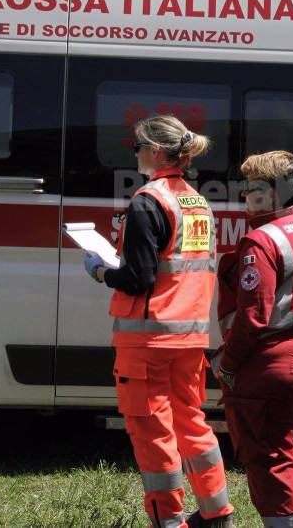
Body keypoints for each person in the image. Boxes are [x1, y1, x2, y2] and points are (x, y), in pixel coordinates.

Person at [84, 114, 235, 528]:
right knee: (192, 424)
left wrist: (100, 270)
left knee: (153, 433)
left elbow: (139, 278)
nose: (135, 154)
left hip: (147, 343)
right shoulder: (197, 202)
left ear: (154, 151)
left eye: (137, 147)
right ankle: (217, 512)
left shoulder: (147, 201)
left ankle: (168, 520)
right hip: (188, 338)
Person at [211, 151, 293, 528]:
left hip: (273, 365)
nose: (245, 196)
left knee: (268, 458)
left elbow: (252, 318)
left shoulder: (261, 242)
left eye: (251, 189)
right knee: (292, 450)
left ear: (272, 193)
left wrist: (226, 364)